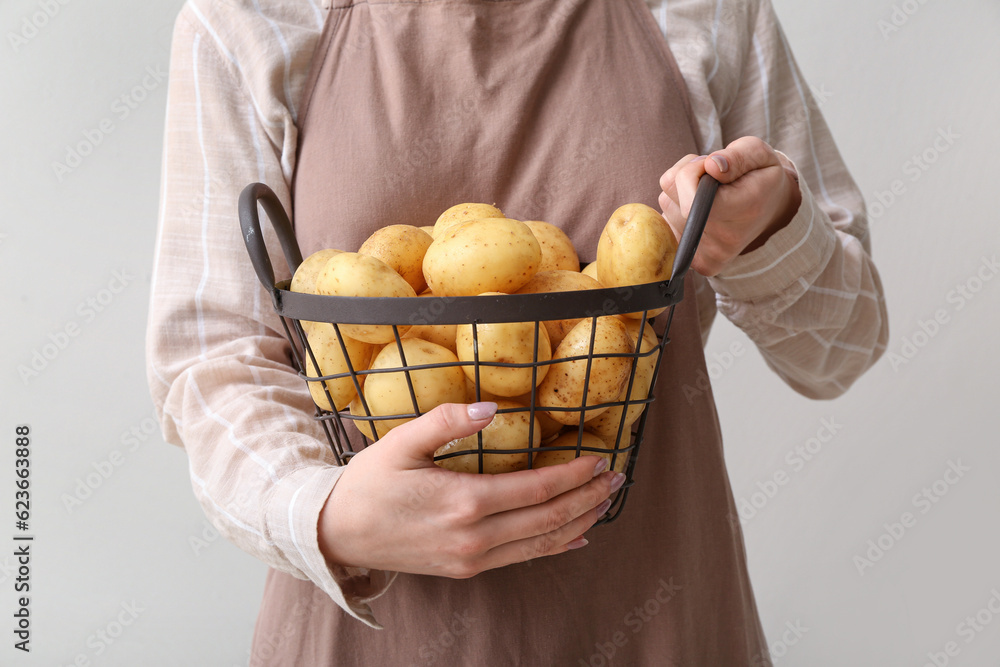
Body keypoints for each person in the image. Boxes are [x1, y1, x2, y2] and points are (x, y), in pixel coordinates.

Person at [146, 0, 888, 663]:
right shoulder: (247, 19)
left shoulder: (711, 11)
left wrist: (768, 231)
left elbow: (841, 349)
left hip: (657, 616)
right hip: (373, 635)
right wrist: (323, 511)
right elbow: (212, 359)